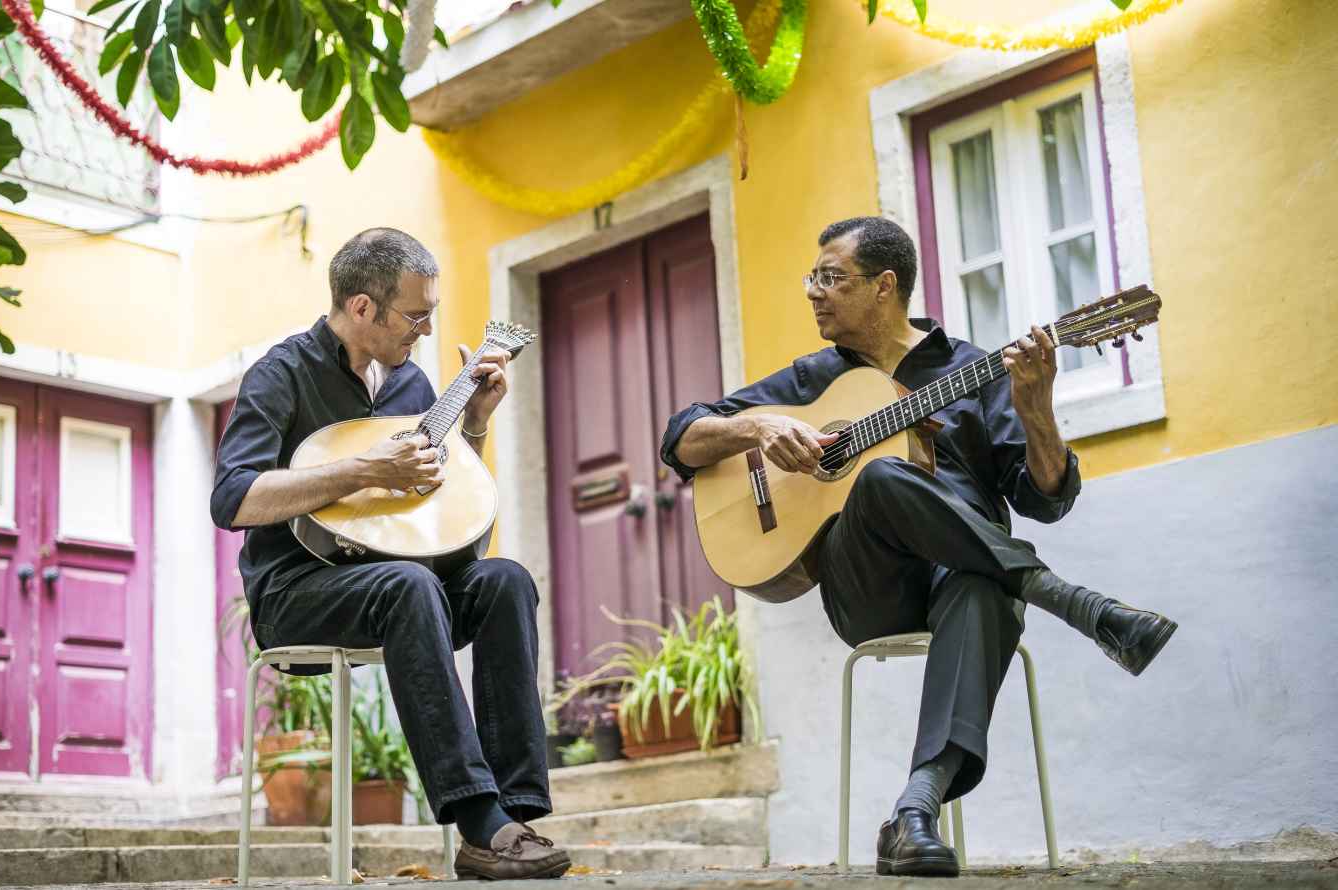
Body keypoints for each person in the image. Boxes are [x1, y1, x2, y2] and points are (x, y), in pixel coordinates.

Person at [659, 217, 1176, 877]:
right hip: (868, 589)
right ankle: (1074, 603)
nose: (814, 293)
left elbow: (1044, 500)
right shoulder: (815, 379)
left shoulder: (973, 369)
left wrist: (1037, 407)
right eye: (812, 279)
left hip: (968, 580)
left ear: (884, 286)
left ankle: (914, 810)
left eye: (832, 278)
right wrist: (755, 426)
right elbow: (680, 437)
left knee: (981, 584)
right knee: (879, 476)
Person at [211, 227, 571, 881]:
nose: (427, 330)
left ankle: (513, 812)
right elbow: (232, 498)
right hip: (300, 590)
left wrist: (477, 426)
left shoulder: (412, 386)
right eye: (416, 315)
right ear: (361, 308)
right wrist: (358, 470)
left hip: (411, 584)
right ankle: (479, 819)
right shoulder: (280, 375)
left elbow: (438, 501)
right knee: (406, 585)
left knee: (505, 581)